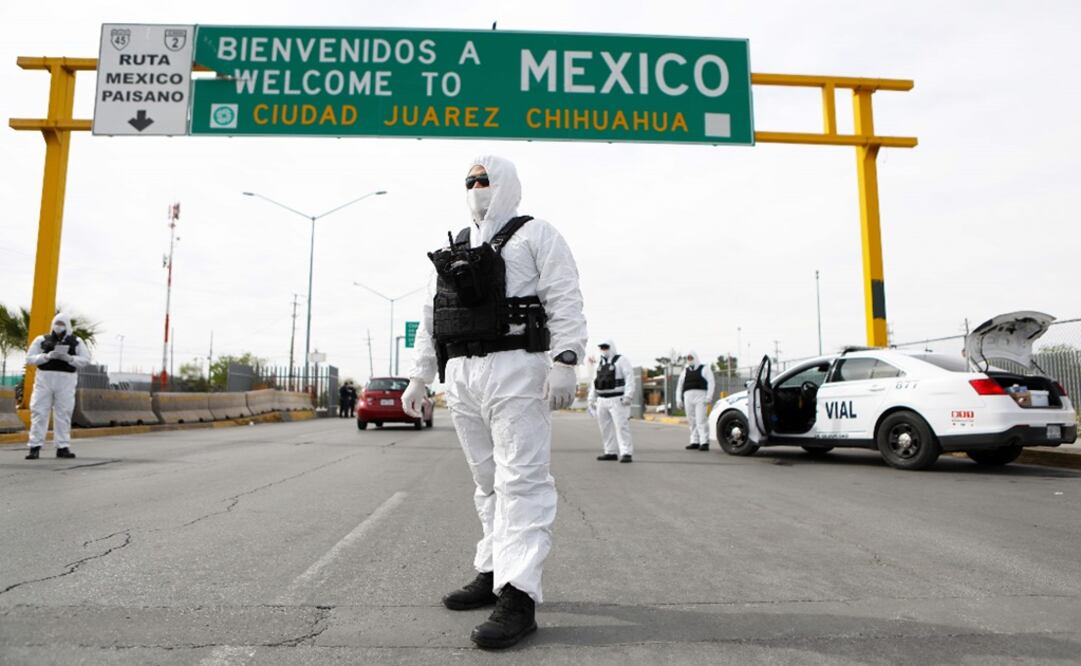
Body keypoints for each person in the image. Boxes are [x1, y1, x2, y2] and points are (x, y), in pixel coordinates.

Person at [401, 155, 587, 650]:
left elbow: (564, 295)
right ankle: (492, 568)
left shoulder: (536, 234)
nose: (477, 187)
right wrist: (420, 378)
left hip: (515, 370)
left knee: (521, 479)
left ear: (506, 184)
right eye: (470, 181)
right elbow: (430, 316)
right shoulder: (455, 246)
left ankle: (519, 592)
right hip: (460, 374)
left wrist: (566, 359)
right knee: (487, 482)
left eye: (485, 180)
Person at [24, 313, 91, 459]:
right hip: (44, 380)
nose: (59, 326)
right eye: (57, 322)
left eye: (62, 323)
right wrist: (46, 356)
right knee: (39, 412)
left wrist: (70, 358)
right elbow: (29, 358)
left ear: (67, 325)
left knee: (64, 413)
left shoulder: (76, 341)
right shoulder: (42, 340)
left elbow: (85, 359)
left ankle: (62, 447)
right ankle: (34, 447)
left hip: (66, 381)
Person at [588, 340, 637, 463]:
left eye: (606, 347)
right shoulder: (600, 363)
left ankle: (626, 452)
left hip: (617, 400)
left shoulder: (621, 360)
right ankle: (610, 452)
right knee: (605, 427)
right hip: (601, 400)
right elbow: (595, 382)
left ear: (611, 347)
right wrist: (591, 398)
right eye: (602, 347)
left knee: (621, 426)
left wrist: (628, 395)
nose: (604, 349)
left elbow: (629, 378)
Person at [676, 351, 716, 450]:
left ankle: (704, 442)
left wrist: (709, 397)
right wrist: (678, 400)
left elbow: (711, 382)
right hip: (688, 397)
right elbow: (679, 386)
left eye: (691, 357)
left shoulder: (705, 368)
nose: (689, 360)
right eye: (688, 358)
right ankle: (695, 441)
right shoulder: (684, 371)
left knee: (701, 420)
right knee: (691, 420)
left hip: (700, 397)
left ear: (695, 357)